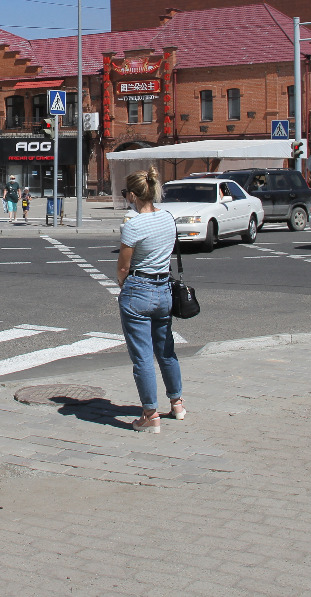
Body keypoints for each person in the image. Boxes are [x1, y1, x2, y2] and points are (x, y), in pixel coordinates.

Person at [115, 167, 182, 433]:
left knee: (142, 356)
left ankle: (150, 415)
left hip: (138, 290)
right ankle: (177, 404)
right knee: (166, 350)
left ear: (133, 195)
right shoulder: (168, 217)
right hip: (164, 289)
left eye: (126, 193)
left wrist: (123, 284)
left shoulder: (133, 225)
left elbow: (123, 266)